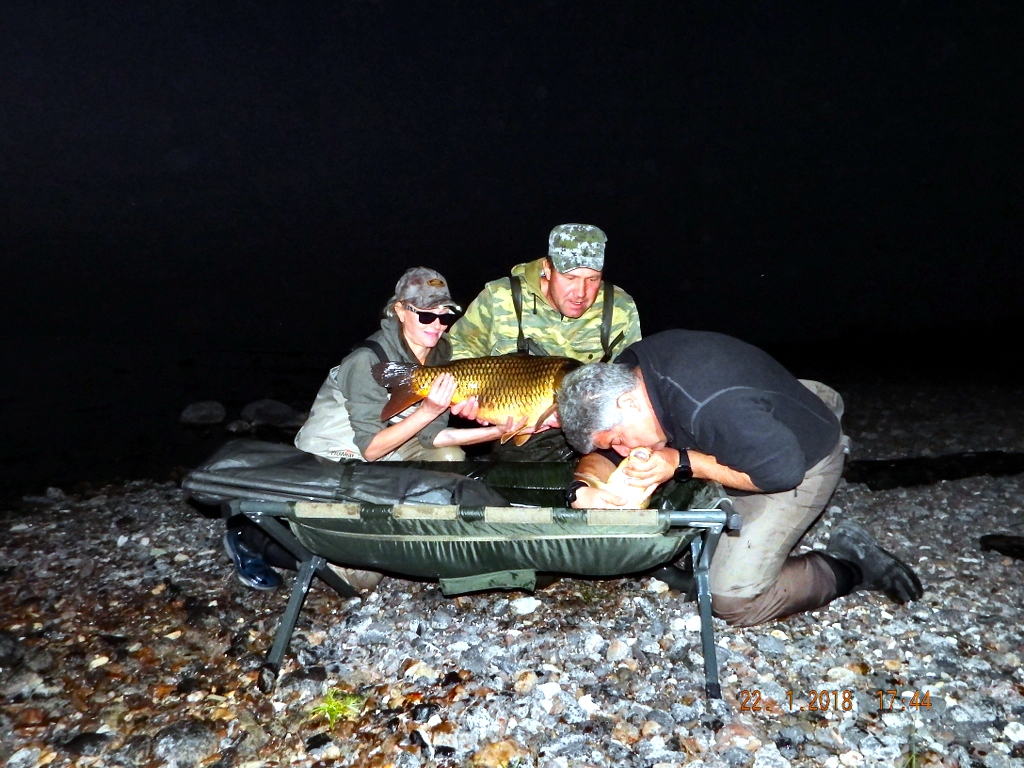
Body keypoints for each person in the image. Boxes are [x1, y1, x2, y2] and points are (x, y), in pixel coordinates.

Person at [556, 330, 923, 627]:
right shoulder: (627, 376)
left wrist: (680, 462)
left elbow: (780, 472)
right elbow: (599, 449)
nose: (619, 452)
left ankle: (850, 564)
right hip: (759, 414)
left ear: (628, 404)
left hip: (797, 460)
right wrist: (584, 488)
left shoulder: (709, 406)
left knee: (731, 598)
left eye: (619, 441)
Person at [225, 267, 509, 591]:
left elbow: (433, 437)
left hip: (391, 445)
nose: (437, 327)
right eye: (426, 317)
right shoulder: (367, 360)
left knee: (448, 457)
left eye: (444, 317)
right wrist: (429, 409)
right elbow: (371, 448)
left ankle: (418, 529)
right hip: (334, 455)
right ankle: (250, 536)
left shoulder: (440, 357)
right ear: (400, 310)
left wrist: (499, 431)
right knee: (362, 578)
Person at [447, 223, 642, 459]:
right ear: (547, 269)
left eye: (592, 279)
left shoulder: (619, 308)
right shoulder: (500, 298)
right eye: (570, 277)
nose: (581, 292)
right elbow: (458, 347)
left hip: (595, 426)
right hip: (516, 429)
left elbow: (631, 380)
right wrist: (471, 395)